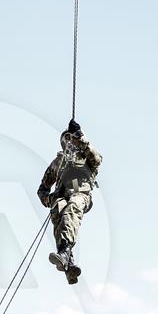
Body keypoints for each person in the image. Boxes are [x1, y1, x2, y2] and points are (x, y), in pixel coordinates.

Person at [37, 119, 102, 284]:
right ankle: (68, 264)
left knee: (72, 208)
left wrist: (80, 136)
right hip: (61, 196)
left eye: (70, 138)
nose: (68, 142)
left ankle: (65, 253)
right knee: (59, 215)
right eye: (66, 139)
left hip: (80, 192)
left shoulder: (86, 156)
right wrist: (49, 199)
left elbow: (96, 159)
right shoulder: (57, 163)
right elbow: (42, 189)